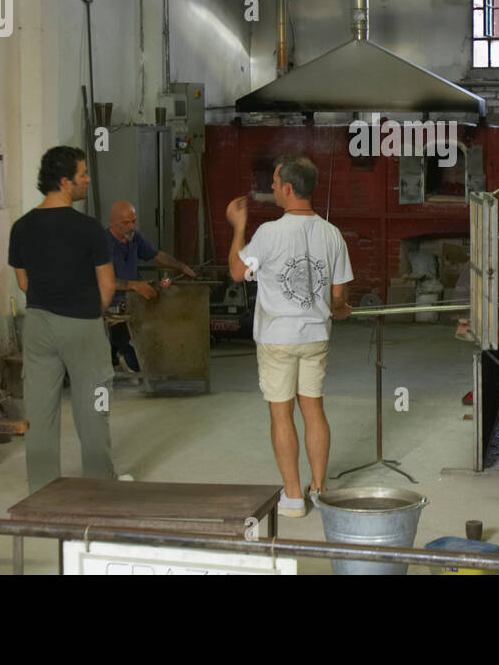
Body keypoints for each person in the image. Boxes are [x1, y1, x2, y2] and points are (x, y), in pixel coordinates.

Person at [226, 156, 352, 519]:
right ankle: (320, 488)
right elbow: (339, 298)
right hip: (315, 336)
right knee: (313, 408)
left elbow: (237, 271)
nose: (272, 189)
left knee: (282, 414)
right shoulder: (332, 234)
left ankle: (294, 497)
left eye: (276, 182)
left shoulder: (268, 233)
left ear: (288, 188)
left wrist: (239, 226)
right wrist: (339, 310)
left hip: (277, 338)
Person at [8, 146, 117, 493]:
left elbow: (24, 282)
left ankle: (41, 491)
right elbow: (107, 285)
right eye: (83, 175)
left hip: (38, 325)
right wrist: (87, 312)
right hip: (82, 325)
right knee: (93, 408)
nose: (87, 180)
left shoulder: (21, 227)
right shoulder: (88, 229)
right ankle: (100, 486)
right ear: (66, 182)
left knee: (40, 413)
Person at [106, 200, 196, 373]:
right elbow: (106, 281)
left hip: (133, 299)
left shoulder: (134, 238)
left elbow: (157, 255)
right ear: (113, 222)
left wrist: (180, 266)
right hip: (112, 302)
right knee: (132, 351)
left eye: (134, 221)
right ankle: (124, 353)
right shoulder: (104, 244)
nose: (131, 226)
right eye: (126, 223)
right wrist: (134, 285)